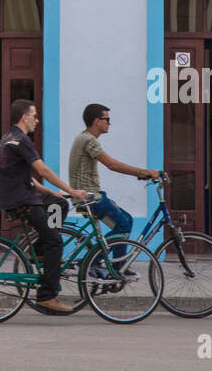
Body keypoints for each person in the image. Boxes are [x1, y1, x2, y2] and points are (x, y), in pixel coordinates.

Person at [0, 99, 87, 315]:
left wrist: (53, 192)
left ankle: (40, 251)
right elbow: (43, 171)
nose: (37, 120)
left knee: (60, 203)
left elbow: (26, 177)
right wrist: (72, 190)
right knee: (56, 242)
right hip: (22, 200)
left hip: (21, 195)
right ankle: (47, 296)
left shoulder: (9, 138)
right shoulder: (21, 140)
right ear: (24, 117)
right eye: (34, 116)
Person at [68, 103, 160, 269]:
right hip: (89, 197)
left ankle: (117, 267)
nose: (110, 123)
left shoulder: (85, 138)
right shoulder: (88, 140)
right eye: (107, 119)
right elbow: (112, 164)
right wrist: (143, 172)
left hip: (90, 196)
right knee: (122, 225)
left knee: (127, 221)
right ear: (97, 121)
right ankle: (92, 264)